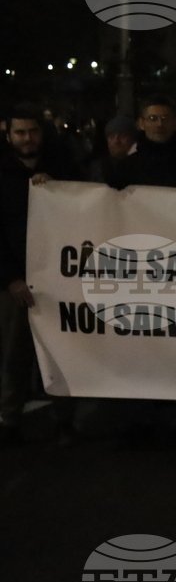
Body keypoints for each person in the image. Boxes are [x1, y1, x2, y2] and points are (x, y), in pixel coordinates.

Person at [0, 104, 78, 445]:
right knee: (13, 354)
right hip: (14, 282)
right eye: (20, 132)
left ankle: (64, 420)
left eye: (32, 131)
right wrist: (10, 278)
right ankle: (10, 419)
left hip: (55, 279)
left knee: (60, 351)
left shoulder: (62, 168)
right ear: (8, 135)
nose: (27, 138)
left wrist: (57, 189)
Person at [107, 95, 176, 193]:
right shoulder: (127, 167)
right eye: (152, 118)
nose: (159, 124)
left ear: (175, 123)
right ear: (141, 123)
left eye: (165, 118)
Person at [87, 115, 137, 183]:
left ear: (132, 139)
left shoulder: (142, 166)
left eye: (122, 136)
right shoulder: (98, 167)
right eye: (111, 137)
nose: (116, 141)